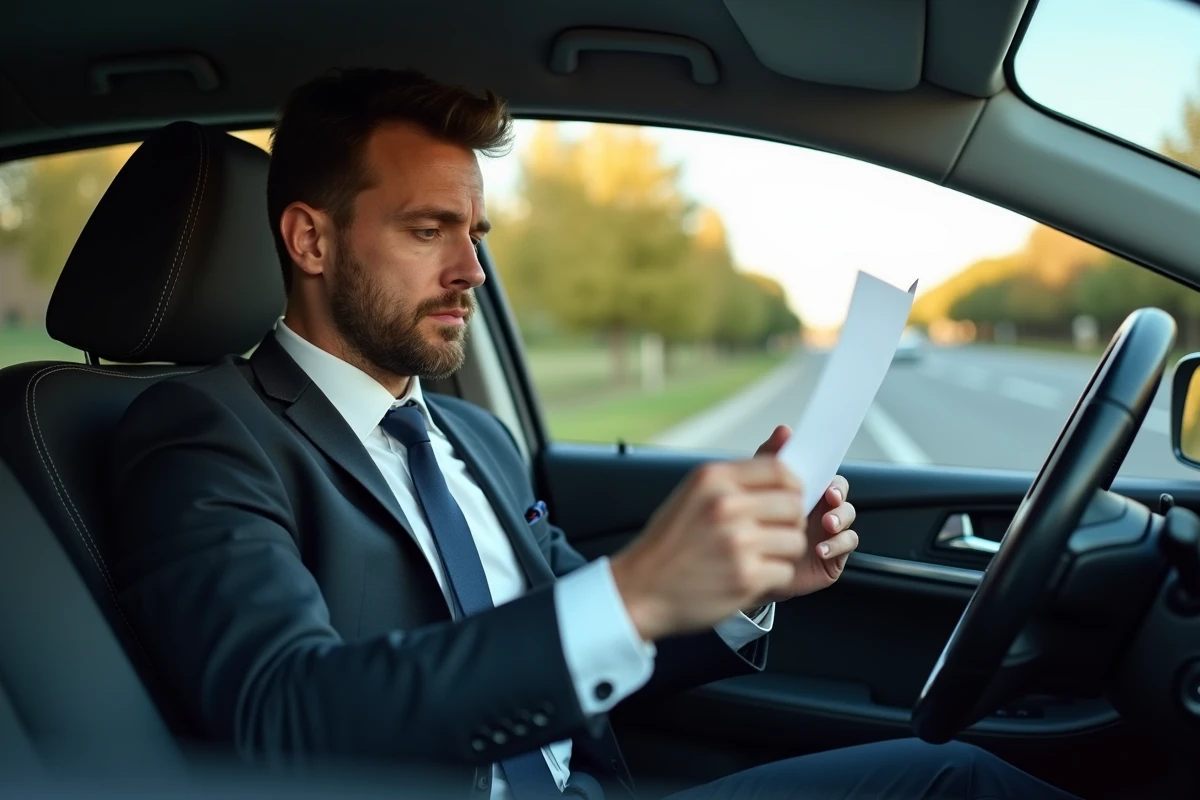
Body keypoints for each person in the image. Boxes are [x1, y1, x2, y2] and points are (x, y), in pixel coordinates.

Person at [109, 68, 1080, 800]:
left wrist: (742, 587)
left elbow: (585, 625)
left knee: (948, 775)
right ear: (311, 241)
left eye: (476, 233)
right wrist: (638, 584)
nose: (471, 271)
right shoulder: (202, 432)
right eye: (426, 230)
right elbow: (279, 714)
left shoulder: (473, 437)